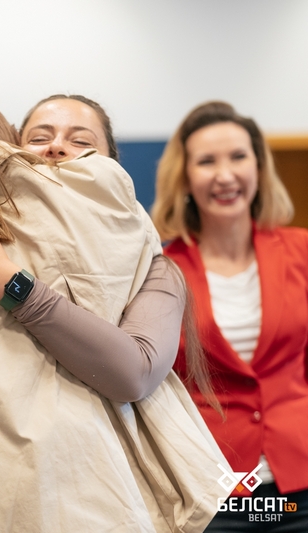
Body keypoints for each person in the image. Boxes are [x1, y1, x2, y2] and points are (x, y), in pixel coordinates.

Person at [0, 95, 228, 532]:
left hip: (120, 487)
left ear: (109, 161)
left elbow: (134, 372)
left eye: (81, 142)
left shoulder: (146, 253)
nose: (57, 147)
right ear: (9, 147)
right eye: (40, 137)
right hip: (19, 489)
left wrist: (10, 284)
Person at [151, 101, 308, 531]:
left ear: (258, 166)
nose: (225, 175)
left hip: (300, 480)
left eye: (238, 156)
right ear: (184, 177)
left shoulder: (301, 251)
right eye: (207, 161)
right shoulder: (161, 268)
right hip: (213, 486)